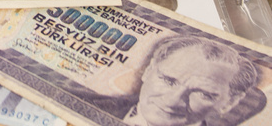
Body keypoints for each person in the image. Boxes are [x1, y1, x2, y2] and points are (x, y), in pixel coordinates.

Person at [59, 35, 266, 126]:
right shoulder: (69, 100)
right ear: (149, 71)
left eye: (203, 93)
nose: (173, 100)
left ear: (231, 101)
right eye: (168, 80)